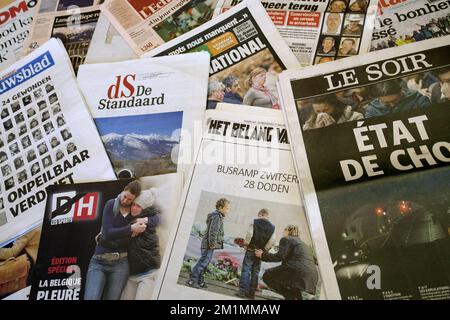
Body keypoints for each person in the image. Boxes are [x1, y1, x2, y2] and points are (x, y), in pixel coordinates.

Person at [84, 181, 146, 300]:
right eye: (125, 196)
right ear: (123, 190)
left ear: (135, 200)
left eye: (129, 200)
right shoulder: (111, 204)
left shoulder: (135, 213)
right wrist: (131, 229)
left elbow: (119, 239)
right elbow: (107, 234)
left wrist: (113, 237)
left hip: (120, 264)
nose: (125, 201)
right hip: (99, 261)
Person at [255, 225, 319, 300]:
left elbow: (279, 256)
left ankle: (290, 297)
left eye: (284, 230)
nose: (283, 232)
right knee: (294, 288)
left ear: (287, 231)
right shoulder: (303, 244)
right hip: (312, 274)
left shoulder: (286, 239)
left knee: (267, 276)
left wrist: (262, 255)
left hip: (297, 270)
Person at [186, 198, 230, 289]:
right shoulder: (217, 217)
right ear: (220, 208)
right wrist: (212, 243)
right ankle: (192, 280)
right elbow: (213, 231)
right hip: (209, 244)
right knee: (203, 262)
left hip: (209, 243)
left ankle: (199, 280)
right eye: (227, 208)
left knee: (205, 262)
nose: (228, 211)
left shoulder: (217, 216)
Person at [236, 209, 276, 299]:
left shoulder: (254, 222)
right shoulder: (272, 227)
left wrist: (246, 244)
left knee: (246, 270)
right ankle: (251, 294)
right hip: (260, 253)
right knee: (255, 272)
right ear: (267, 216)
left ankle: (242, 292)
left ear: (259, 214)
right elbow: (272, 241)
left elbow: (249, 234)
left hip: (251, 249)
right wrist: (264, 250)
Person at [365, 80, 431, 118]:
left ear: (401, 92)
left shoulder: (419, 99)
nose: (392, 105)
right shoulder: (372, 111)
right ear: (378, 98)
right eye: (386, 103)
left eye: (394, 100)